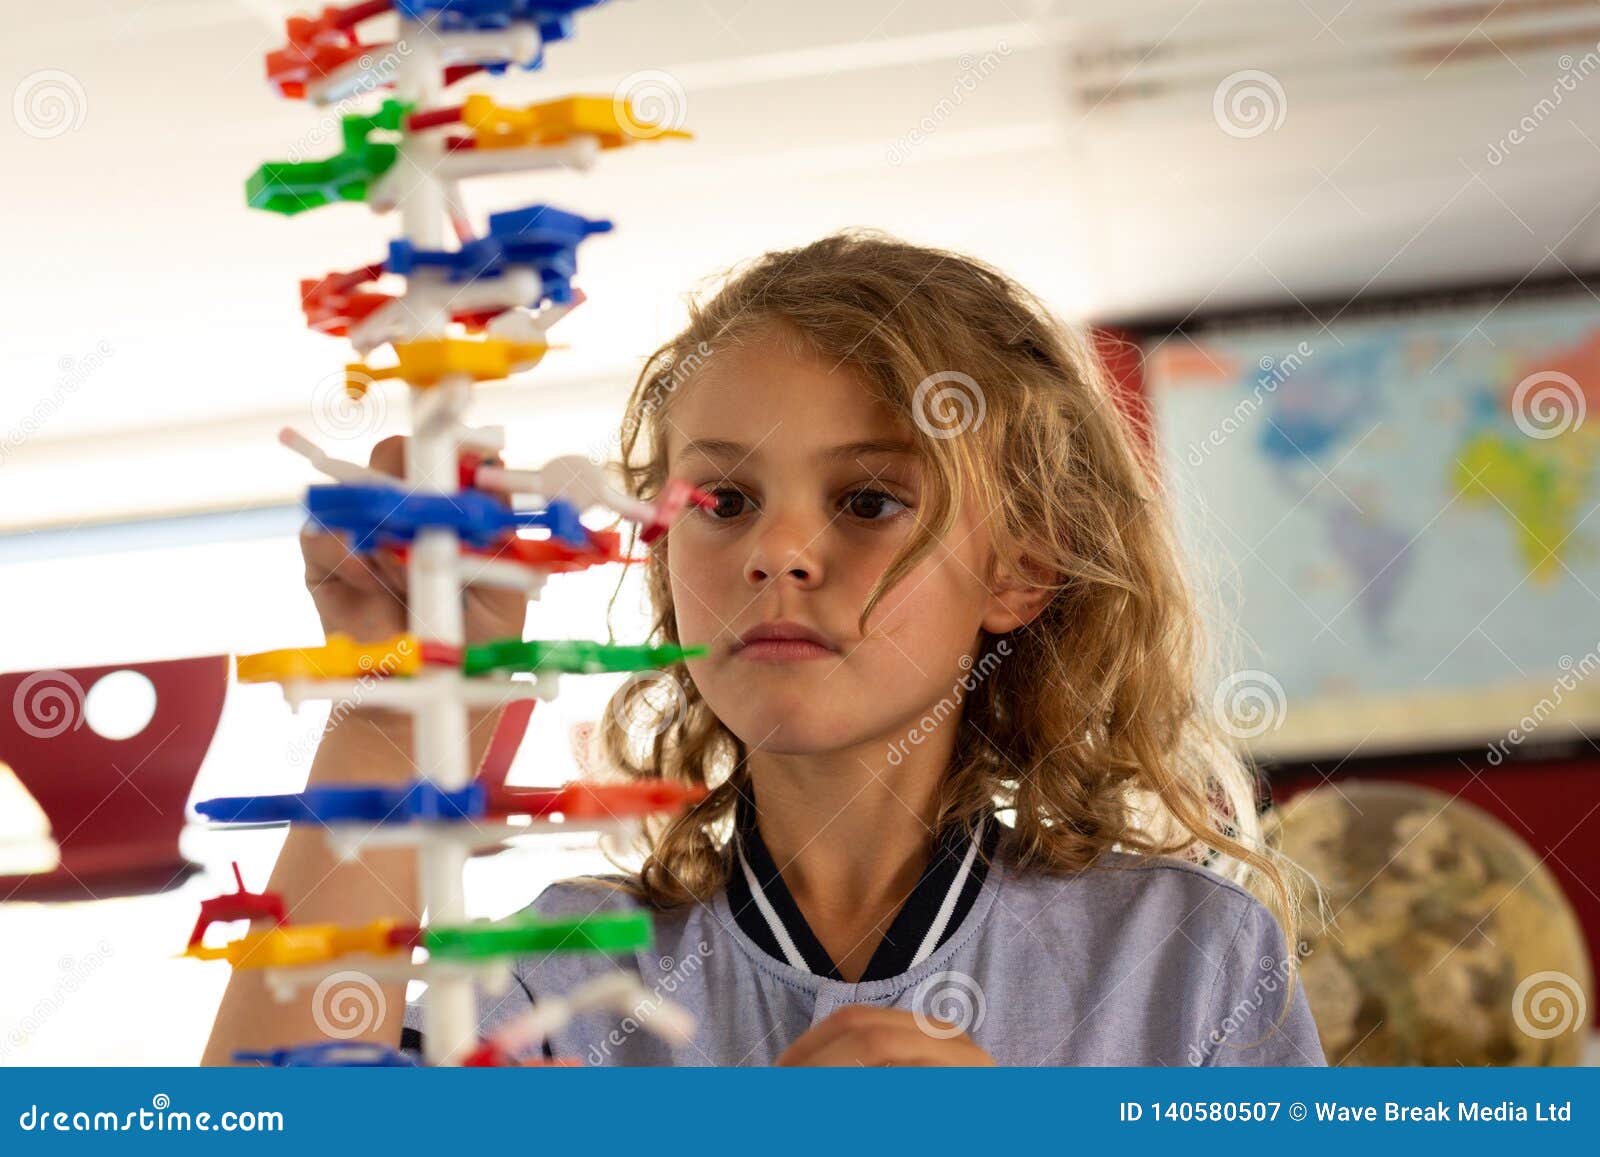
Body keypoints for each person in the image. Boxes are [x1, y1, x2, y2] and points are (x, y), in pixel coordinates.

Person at [204, 229, 1326, 1067]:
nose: (777, 551)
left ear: (1019, 569)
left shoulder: (1185, 955)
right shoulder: (561, 975)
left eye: (870, 500)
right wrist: (392, 720)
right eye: (725, 500)